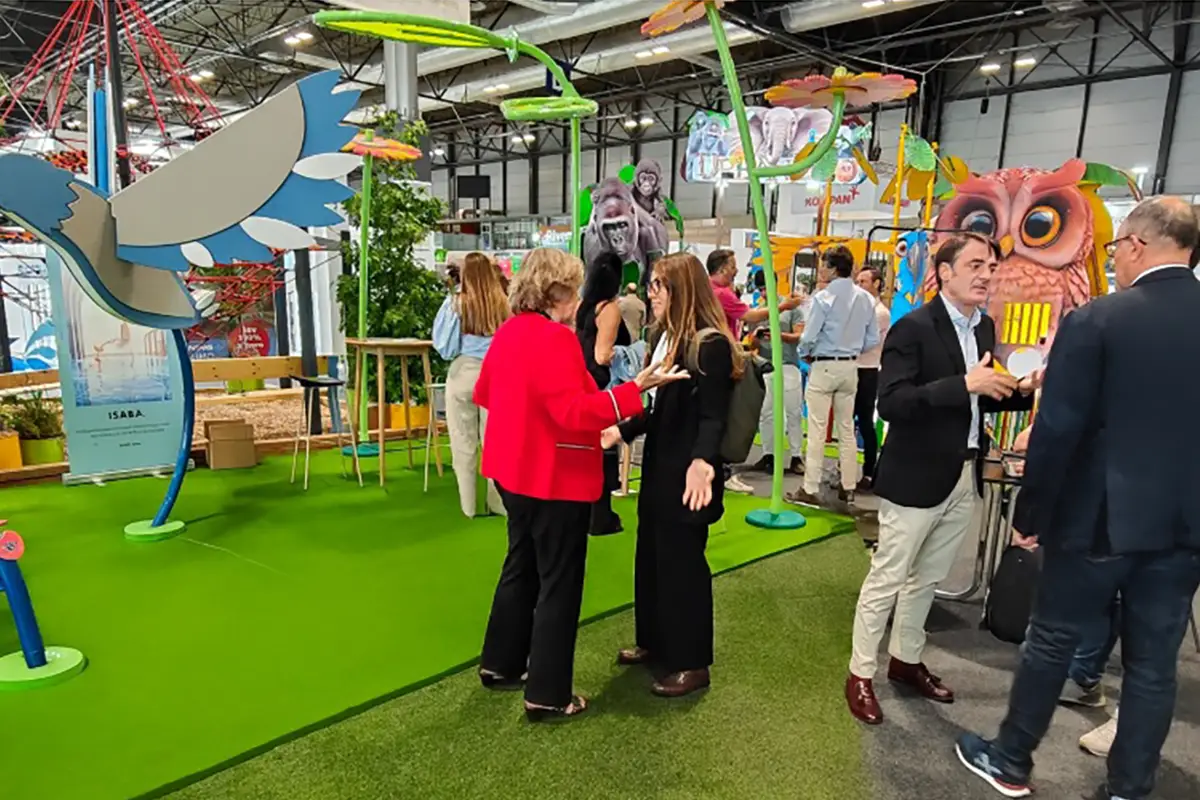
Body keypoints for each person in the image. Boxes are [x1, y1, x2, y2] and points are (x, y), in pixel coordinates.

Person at [956, 197, 1200, 800]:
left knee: (1053, 639)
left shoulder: (1099, 320)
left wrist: (1031, 511)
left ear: (1138, 245)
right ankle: (1129, 788)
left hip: (1097, 519)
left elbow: (1059, 430)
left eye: (1116, 247)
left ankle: (1012, 760)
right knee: (1152, 667)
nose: (1114, 258)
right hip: (1184, 527)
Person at [474, 248, 687, 722]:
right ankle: (548, 695)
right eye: (572, 287)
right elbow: (574, 412)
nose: (580, 296)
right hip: (554, 476)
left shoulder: (509, 333)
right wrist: (636, 392)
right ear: (555, 292)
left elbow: (486, 392)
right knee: (559, 583)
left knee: (521, 566)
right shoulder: (554, 339)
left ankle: (501, 665)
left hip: (513, 472)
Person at [844, 232, 1038, 727]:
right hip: (914, 476)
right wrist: (963, 384)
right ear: (944, 271)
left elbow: (984, 397)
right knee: (888, 577)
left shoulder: (984, 328)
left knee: (927, 579)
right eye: (975, 264)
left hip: (964, 471)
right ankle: (859, 674)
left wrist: (1020, 390)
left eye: (991, 266)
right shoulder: (913, 328)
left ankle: (905, 661)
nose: (985, 274)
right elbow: (891, 403)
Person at [604, 252, 740, 698]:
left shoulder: (710, 344)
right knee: (653, 556)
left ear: (681, 289)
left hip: (689, 472)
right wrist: (619, 431)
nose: (651, 293)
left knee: (683, 564)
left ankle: (690, 661)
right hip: (662, 467)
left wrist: (703, 463)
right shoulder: (664, 339)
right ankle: (654, 642)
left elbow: (713, 416)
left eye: (659, 286)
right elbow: (657, 410)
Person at [787, 246, 880, 507]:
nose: (821, 269)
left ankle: (810, 487)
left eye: (823, 264)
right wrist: (851, 349)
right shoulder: (865, 298)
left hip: (824, 365)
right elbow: (872, 338)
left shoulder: (823, 297)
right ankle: (848, 486)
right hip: (851, 367)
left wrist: (806, 353)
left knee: (817, 429)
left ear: (831, 267)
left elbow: (809, 336)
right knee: (847, 429)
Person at [432, 251, 509, 518]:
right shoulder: (505, 304)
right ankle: (498, 503)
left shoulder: (456, 304)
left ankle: (468, 506)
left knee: (463, 442)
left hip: (463, 372)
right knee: (496, 443)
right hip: (498, 375)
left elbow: (444, 347)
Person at [577, 252, 633, 536]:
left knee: (589, 450)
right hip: (602, 384)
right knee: (605, 449)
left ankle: (590, 513)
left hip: (581, 381)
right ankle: (600, 516)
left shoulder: (583, 306)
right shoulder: (609, 308)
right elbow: (602, 355)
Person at [748, 296, 805, 476]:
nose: (763, 290)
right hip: (766, 365)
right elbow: (752, 344)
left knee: (793, 411)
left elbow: (799, 336)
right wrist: (757, 337)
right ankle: (768, 455)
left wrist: (779, 335)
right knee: (766, 413)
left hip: (788, 365)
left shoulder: (790, 309)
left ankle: (796, 456)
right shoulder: (757, 312)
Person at [853, 266, 890, 492]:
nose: (859, 286)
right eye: (857, 281)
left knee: (865, 421)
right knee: (846, 421)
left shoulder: (880, 313)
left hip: (868, 370)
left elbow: (866, 342)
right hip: (852, 367)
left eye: (864, 281)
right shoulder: (857, 308)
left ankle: (869, 471)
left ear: (876, 284)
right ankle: (846, 470)